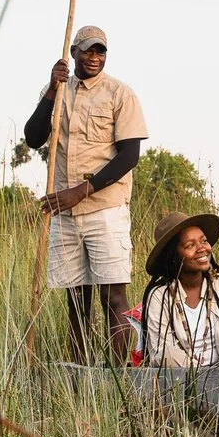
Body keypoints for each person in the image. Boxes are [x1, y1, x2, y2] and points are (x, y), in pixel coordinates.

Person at [22, 25, 144, 362]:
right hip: (65, 210)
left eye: (100, 51)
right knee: (76, 299)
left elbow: (129, 156)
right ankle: (81, 373)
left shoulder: (121, 94)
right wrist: (51, 89)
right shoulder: (60, 90)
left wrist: (82, 191)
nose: (94, 57)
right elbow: (33, 138)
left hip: (105, 208)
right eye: (88, 50)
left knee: (112, 297)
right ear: (73, 52)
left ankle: (118, 376)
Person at [139, 210, 219, 369]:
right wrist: (198, 376)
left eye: (204, 241)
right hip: (183, 378)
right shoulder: (159, 295)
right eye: (190, 245)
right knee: (168, 355)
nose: (202, 248)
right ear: (173, 255)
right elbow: (162, 351)